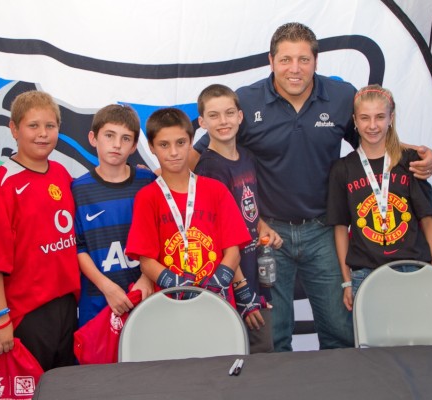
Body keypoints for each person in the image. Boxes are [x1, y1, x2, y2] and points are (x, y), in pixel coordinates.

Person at [192, 22, 432, 352]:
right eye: (286, 60)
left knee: (340, 328)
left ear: (316, 62)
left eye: (303, 60)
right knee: (274, 334)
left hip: (323, 229)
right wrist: (160, 177)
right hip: (268, 236)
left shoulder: (340, 96)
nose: (295, 69)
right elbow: (201, 153)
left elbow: (373, 139)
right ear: (271, 60)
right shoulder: (246, 102)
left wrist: (420, 155)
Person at [0, 90, 79, 371]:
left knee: (65, 387)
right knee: (32, 389)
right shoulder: (0, 185)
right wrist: (0, 317)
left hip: (67, 305)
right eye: (33, 126)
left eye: (50, 126)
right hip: (28, 312)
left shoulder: (60, 174)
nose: (42, 134)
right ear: (14, 129)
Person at [328, 84, 432, 310]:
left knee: (419, 340)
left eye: (380, 117)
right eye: (364, 118)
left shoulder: (409, 161)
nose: (372, 125)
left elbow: (428, 220)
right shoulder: (343, 169)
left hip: (414, 268)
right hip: (366, 274)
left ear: (391, 118)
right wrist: (347, 280)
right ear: (355, 121)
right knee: (375, 342)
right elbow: (340, 228)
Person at [126, 107, 251, 306]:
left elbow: (233, 250)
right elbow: (146, 261)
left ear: (191, 142)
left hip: (217, 302)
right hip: (169, 304)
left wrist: (218, 282)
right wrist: (176, 285)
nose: (174, 152)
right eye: (164, 145)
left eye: (181, 143)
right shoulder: (147, 197)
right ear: (151, 147)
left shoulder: (216, 190)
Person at [194, 83, 282, 353]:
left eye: (229, 113)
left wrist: (262, 225)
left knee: (265, 352)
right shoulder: (209, 168)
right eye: (214, 115)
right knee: (237, 356)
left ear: (240, 116)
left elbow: (248, 209)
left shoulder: (247, 157)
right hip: (233, 281)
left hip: (255, 270)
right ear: (202, 122)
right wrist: (242, 289)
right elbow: (218, 237)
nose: (223, 121)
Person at [72, 104, 155, 328]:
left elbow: (163, 237)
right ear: (93, 138)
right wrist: (107, 288)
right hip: (98, 300)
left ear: (134, 146)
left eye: (125, 138)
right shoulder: (78, 189)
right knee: (99, 363)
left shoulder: (148, 183)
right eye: (109, 135)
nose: (117, 145)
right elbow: (78, 248)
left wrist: (148, 277)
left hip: (145, 295)